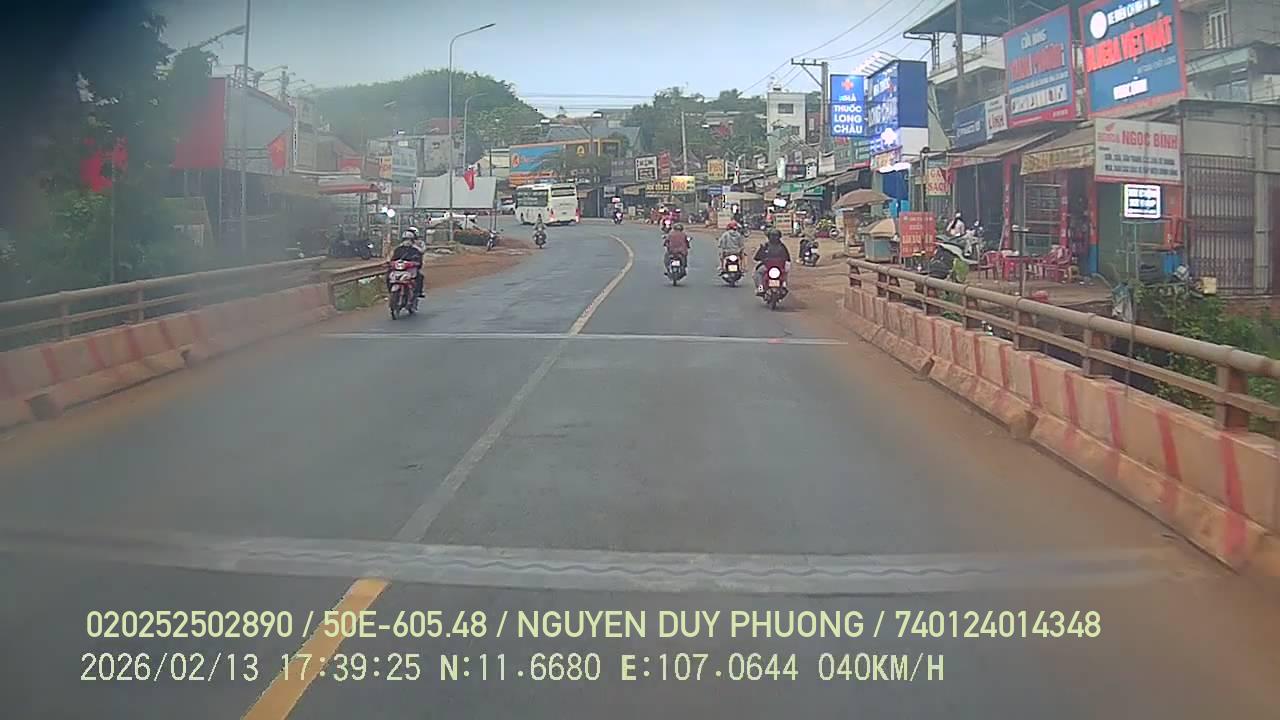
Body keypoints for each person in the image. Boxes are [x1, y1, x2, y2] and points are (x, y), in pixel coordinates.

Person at [754, 228, 791, 295]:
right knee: (758, 272)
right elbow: (788, 258)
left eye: (775, 235)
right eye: (772, 235)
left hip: (776, 268)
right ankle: (761, 287)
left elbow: (787, 258)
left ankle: (783, 285)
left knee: (758, 273)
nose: (774, 237)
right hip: (770, 267)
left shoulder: (779, 246)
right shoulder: (766, 246)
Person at [389, 228, 425, 298]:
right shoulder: (398, 249)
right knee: (388, 274)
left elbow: (419, 260)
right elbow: (392, 258)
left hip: (410, 269)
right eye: (405, 240)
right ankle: (389, 289)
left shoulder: (416, 250)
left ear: (412, 240)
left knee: (420, 276)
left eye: (409, 240)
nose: (407, 242)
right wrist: (391, 263)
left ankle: (418, 292)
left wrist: (416, 263)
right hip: (399, 269)